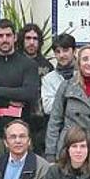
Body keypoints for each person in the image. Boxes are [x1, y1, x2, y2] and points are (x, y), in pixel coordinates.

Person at [45, 45, 90, 164]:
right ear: (78, 63)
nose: (89, 63)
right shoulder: (66, 87)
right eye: (85, 59)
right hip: (68, 149)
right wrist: (50, 153)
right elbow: (54, 121)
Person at [0, 19, 40, 158]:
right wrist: (9, 102)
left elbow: (29, 94)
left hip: (21, 133)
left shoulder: (28, 65)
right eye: (0, 36)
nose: (4, 39)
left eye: (8, 35)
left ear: (15, 37)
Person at [17, 23, 53, 155]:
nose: (31, 42)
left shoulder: (47, 66)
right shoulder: (15, 62)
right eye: (28, 38)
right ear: (21, 40)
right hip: (18, 118)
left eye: (35, 39)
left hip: (41, 122)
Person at [41, 33, 76, 113]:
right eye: (58, 52)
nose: (61, 55)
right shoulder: (48, 79)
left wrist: (59, 99)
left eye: (65, 50)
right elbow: (48, 108)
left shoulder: (84, 74)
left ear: (74, 51)